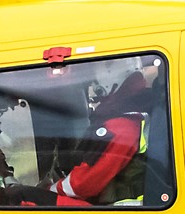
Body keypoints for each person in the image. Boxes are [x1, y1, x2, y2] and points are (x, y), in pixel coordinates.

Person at [48, 67, 156, 206]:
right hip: (123, 207)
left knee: (25, 197)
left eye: (95, 86)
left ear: (109, 83)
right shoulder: (134, 117)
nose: (95, 93)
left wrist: (49, 190)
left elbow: (82, 185)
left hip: (115, 211)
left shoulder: (120, 128)